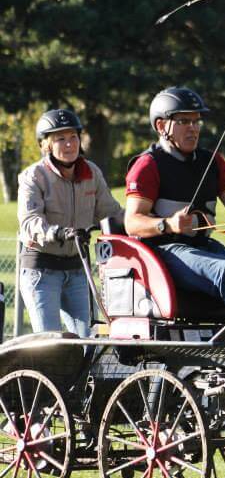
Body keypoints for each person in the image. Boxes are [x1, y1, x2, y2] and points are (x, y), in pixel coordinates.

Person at [124, 86, 225, 316]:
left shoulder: (214, 162)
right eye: (184, 122)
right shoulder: (148, 165)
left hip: (202, 247)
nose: (193, 129)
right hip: (163, 250)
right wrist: (167, 224)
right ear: (161, 126)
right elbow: (132, 223)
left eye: (197, 121)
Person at [17, 109, 123, 337]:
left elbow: (111, 212)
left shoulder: (91, 173)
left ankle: (81, 375)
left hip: (77, 268)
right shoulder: (33, 176)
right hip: (41, 270)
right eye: (60, 139)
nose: (69, 144)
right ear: (46, 145)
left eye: (73, 137)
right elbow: (30, 222)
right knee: (50, 343)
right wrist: (59, 232)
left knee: (89, 342)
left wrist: (145, 222)